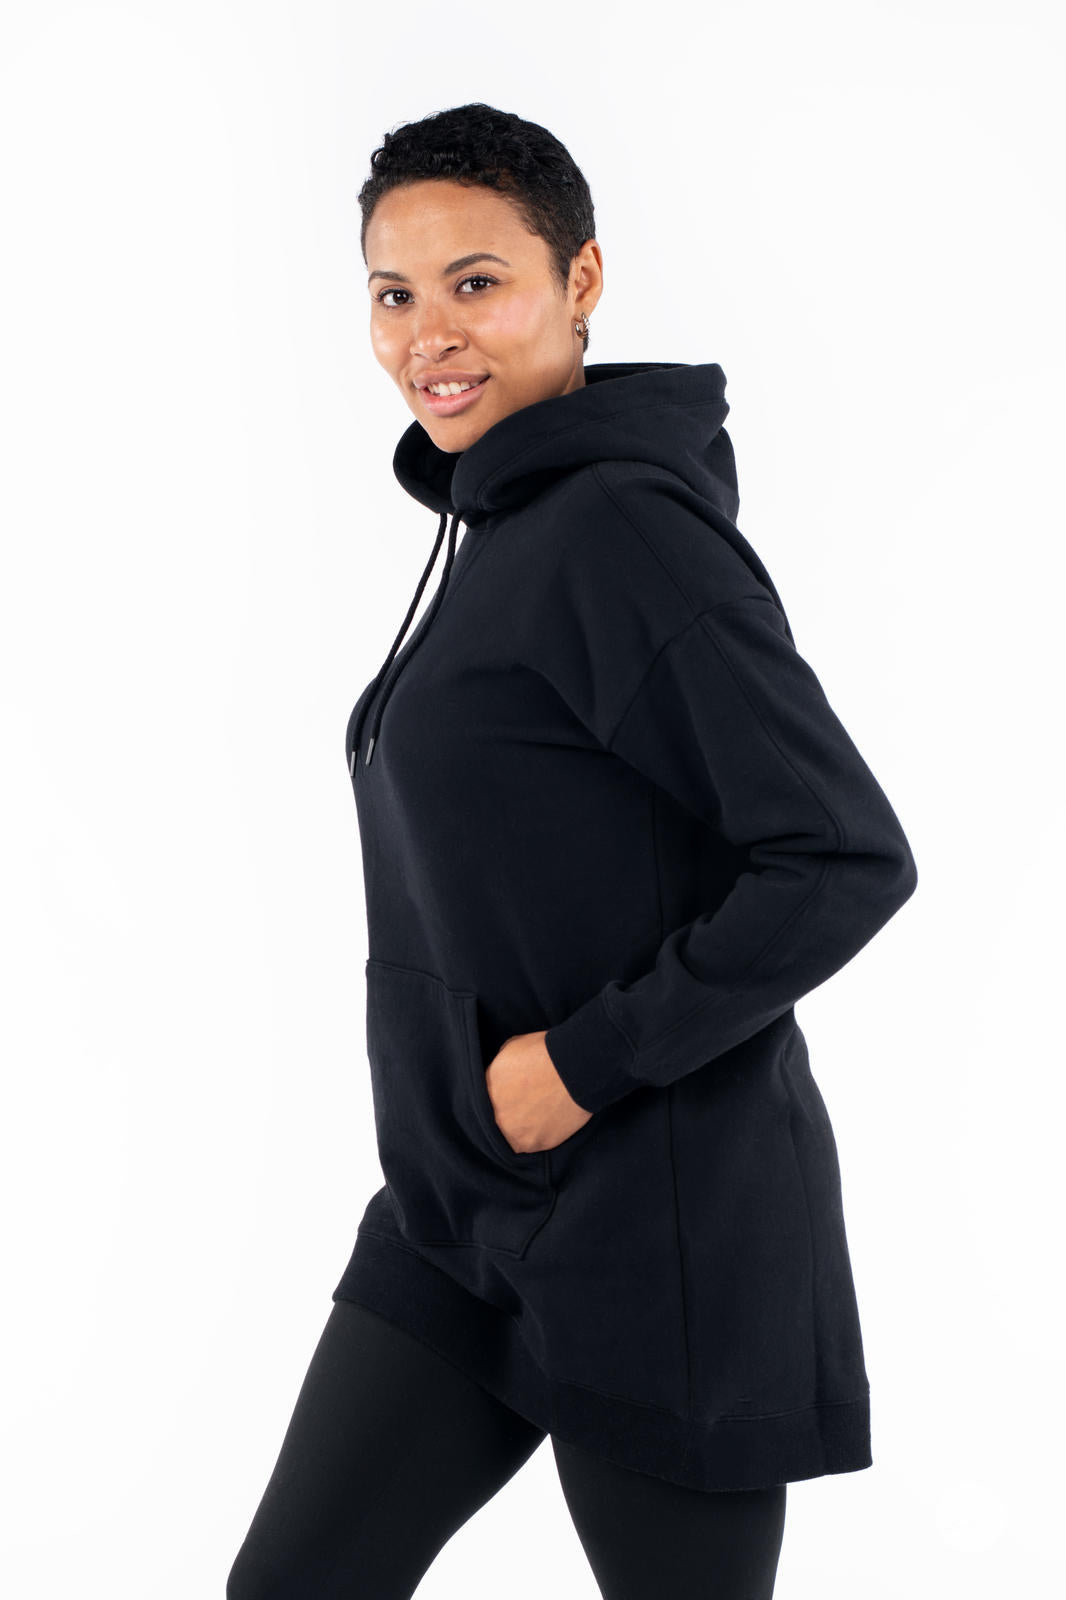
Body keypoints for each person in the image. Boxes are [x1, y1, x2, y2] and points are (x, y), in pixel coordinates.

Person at [226, 102, 918, 1600]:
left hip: (659, 1221)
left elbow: (842, 854)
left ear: (580, 278)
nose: (428, 336)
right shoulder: (504, 518)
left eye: (475, 282)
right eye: (393, 293)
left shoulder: (620, 532)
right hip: (459, 1211)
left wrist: (586, 1064)